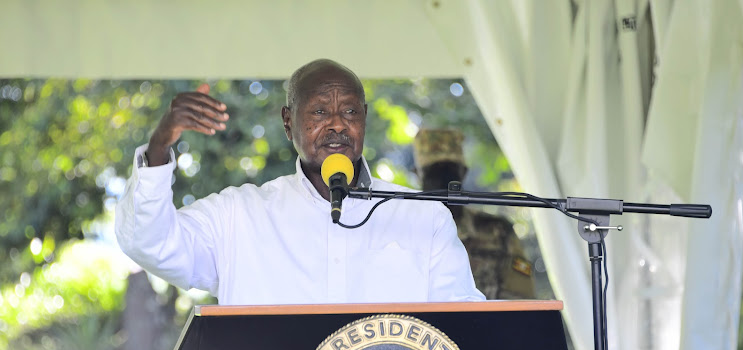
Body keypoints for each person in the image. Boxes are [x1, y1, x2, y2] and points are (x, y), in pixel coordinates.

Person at [115, 59, 484, 305]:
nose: (338, 124)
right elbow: (150, 243)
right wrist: (160, 145)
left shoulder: (423, 217)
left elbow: (463, 323)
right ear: (288, 122)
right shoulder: (237, 216)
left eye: (350, 111)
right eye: (320, 111)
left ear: (365, 120)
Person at [413, 128, 535, 300]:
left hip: (487, 325)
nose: (442, 181)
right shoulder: (405, 230)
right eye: (434, 172)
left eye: (450, 171)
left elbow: (521, 299)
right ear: (418, 175)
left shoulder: (497, 232)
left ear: (463, 173)